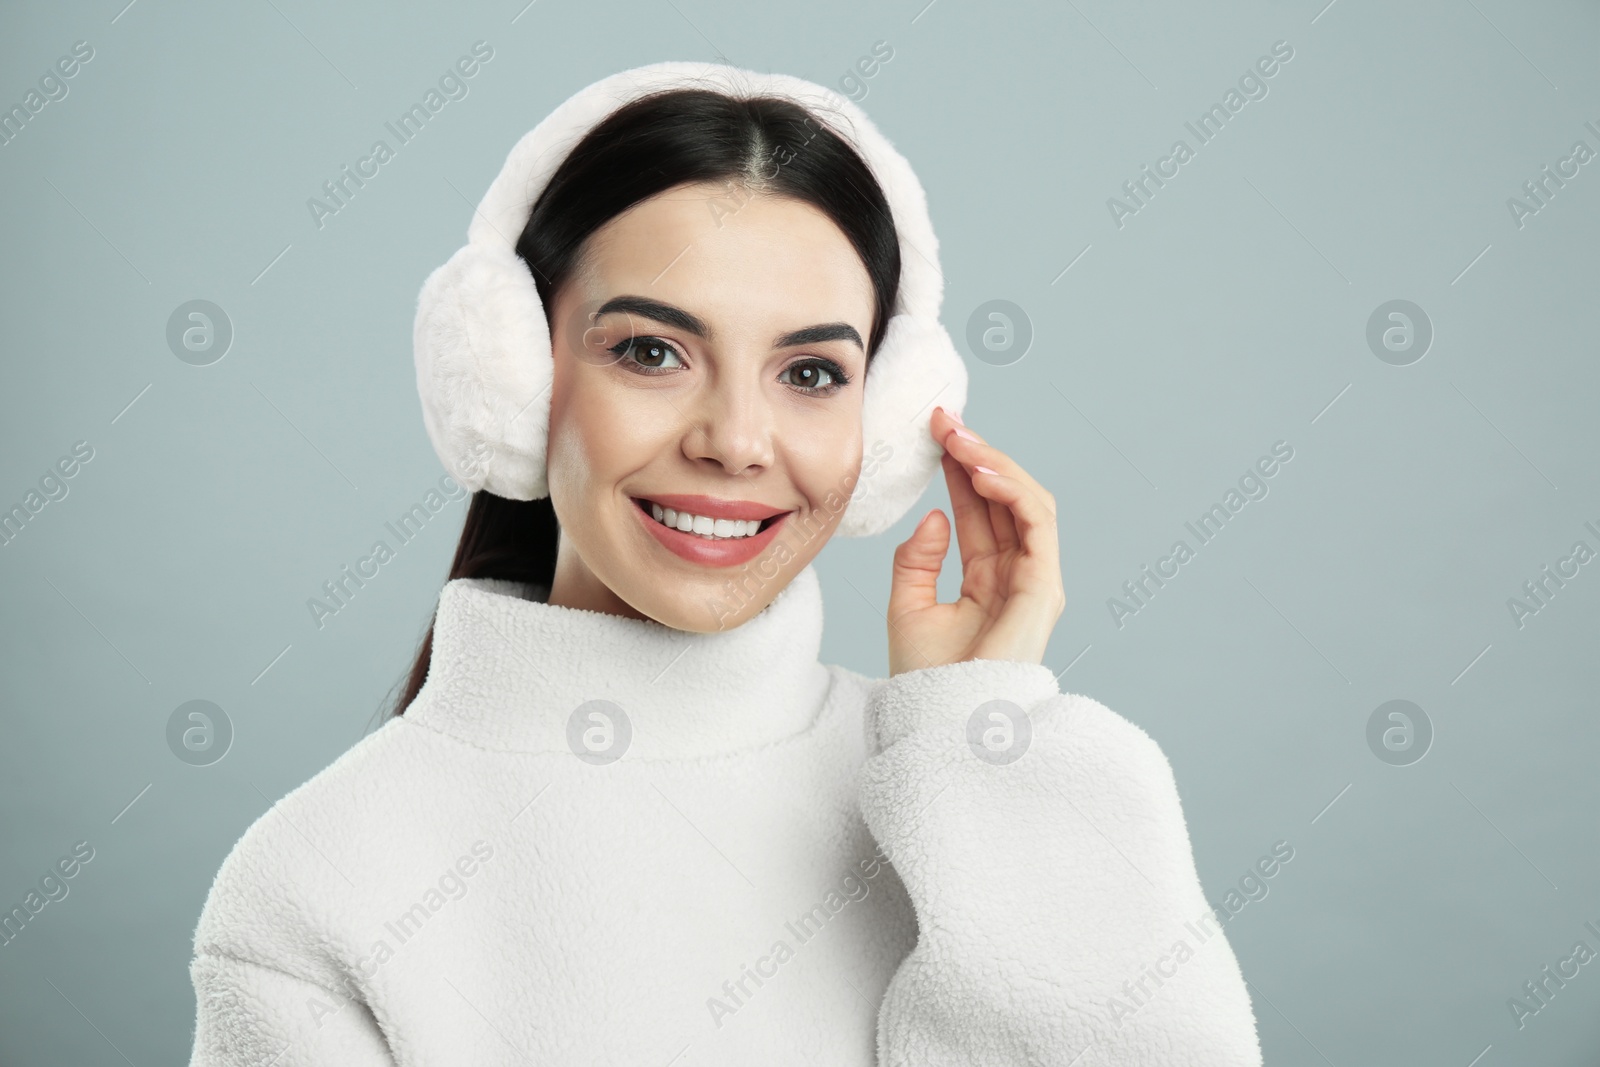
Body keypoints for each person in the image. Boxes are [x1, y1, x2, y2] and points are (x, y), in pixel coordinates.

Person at [186, 62, 1262, 1065]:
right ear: (511, 376)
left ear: (882, 421)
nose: (737, 440)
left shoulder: (976, 790)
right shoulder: (317, 882)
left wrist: (982, 735)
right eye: (651, 351)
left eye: (810, 370)